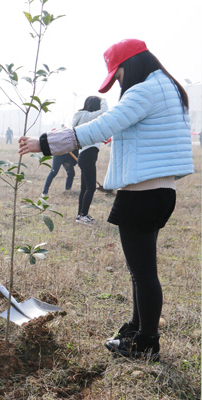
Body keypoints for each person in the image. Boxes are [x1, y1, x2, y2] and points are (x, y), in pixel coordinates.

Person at [18, 39, 193, 360]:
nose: (118, 84)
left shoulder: (144, 91)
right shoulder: (167, 87)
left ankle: (147, 343)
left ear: (133, 64)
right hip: (160, 191)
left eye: (118, 75)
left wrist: (43, 143)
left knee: (143, 272)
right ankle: (136, 327)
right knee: (140, 269)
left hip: (142, 193)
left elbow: (100, 127)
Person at [72, 96, 108, 224]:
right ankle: (83, 215)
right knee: (91, 187)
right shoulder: (87, 116)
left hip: (84, 155)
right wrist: (103, 99)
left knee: (85, 187)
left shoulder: (82, 116)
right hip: (88, 156)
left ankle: (80, 215)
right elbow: (105, 112)